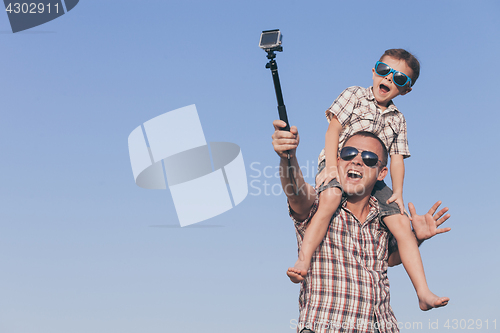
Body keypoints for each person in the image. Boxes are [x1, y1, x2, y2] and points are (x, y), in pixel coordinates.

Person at [286, 49, 447, 311]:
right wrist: (330, 165)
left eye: (400, 79)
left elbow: (396, 159)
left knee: (402, 227)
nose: (389, 79)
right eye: (384, 71)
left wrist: (398, 193)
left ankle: (423, 292)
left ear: (405, 91)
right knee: (330, 199)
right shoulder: (354, 95)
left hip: (374, 179)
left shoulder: (398, 119)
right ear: (374, 71)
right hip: (338, 163)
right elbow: (334, 129)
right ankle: (303, 260)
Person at [272, 120, 451, 333]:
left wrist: (416, 237)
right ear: (338, 161)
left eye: (368, 158)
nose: (356, 161)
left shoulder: (384, 219)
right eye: (349, 153)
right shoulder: (321, 206)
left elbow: (390, 259)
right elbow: (296, 191)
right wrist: (288, 158)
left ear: (382, 173)